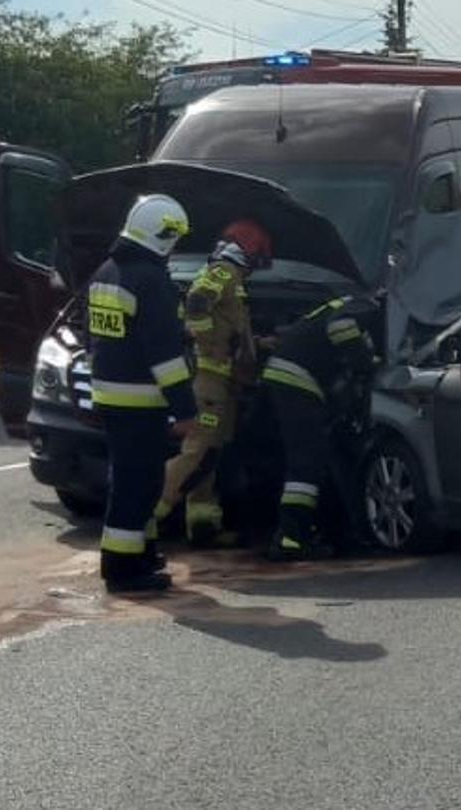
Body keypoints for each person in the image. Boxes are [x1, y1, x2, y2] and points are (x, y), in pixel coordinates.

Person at [89, 194, 195, 593]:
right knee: (136, 486)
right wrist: (185, 408)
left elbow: (94, 338)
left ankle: (142, 553)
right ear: (163, 236)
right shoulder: (151, 281)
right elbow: (164, 356)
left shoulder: (106, 272)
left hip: (110, 396)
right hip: (140, 401)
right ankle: (122, 570)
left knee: (138, 481)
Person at [151, 219, 272, 547]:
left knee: (211, 454)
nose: (255, 268)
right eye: (257, 259)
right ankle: (148, 513)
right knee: (198, 450)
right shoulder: (224, 272)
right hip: (209, 380)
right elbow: (196, 302)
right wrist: (208, 344)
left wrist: (256, 345)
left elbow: (227, 327)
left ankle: (202, 524)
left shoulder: (234, 279)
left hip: (224, 382)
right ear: (248, 251)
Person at [260, 294, 382, 562]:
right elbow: (340, 327)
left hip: (284, 375)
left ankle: (307, 531)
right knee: (306, 463)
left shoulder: (345, 302)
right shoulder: (368, 308)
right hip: (297, 380)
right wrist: (366, 363)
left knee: (308, 459)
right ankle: (291, 538)